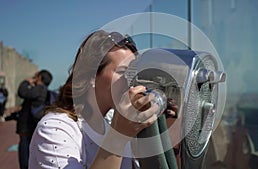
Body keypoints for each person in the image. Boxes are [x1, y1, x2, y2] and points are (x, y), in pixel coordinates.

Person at [29, 30, 176, 169]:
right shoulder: (54, 130)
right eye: (124, 72)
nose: (132, 81)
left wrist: (163, 133)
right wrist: (118, 136)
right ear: (90, 76)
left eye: (134, 73)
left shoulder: (112, 120)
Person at [17, 70, 53, 169]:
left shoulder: (39, 89)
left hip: (28, 127)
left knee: (25, 153)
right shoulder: (43, 90)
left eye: (36, 76)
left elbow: (22, 92)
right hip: (31, 126)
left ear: (40, 78)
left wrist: (26, 81)